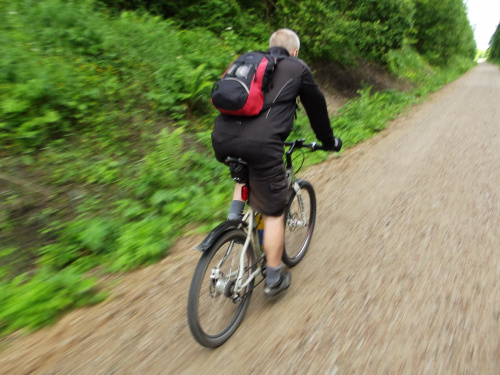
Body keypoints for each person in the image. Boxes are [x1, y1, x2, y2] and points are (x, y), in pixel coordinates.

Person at [211, 29, 342, 299]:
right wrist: (328, 141)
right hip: (261, 145)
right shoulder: (297, 67)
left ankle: (233, 224)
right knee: (273, 211)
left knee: (243, 174)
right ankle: (273, 278)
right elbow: (316, 108)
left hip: (223, 138)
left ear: (270, 47)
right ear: (294, 51)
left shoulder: (250, 64)